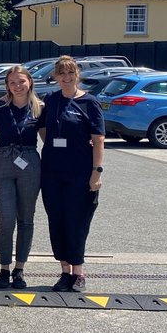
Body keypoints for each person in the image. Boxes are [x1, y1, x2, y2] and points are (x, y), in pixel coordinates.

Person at [37, 56, 105, 293]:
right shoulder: (51, 100)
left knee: (77, 221)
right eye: (62, 74)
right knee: (56, 220)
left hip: (80, 173)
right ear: (56, 77)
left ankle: (78, 272)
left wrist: (96, 172)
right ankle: (64, 271)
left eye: (70, 74)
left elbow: (98, 140)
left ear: (77, 75)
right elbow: (43, 129)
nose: (66, 78)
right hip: (52, 173)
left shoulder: (90, 103)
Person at [0, 66, 42, 290]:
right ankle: (4, 268)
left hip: (29, 162)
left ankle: (19, 269)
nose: (17, 86)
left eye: (21, 81)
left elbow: (49, 138)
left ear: (30, 82)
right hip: (3, 162)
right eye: (12, 82)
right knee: (6, 219)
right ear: (7, 85)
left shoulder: (39, 108)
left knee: (26, 219)